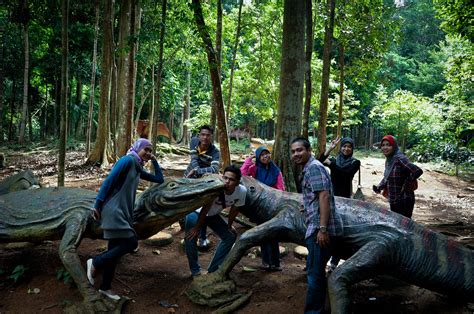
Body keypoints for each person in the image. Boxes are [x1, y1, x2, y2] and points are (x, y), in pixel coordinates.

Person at [87, 138, 164, 300]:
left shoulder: (137, 167)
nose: (149, 153)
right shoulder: (127, 161)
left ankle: (105, 288)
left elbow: (159, 179)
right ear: (137, 148)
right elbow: (109, 181)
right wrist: (97, 204)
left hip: (124, 212)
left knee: (113, 250)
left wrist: (155, 161)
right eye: (146, 150)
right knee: (131, 242)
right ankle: (95, 262)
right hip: (113, 210)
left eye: (151, 150)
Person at [291, 137, 342, 314]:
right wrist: (306, 204)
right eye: (293, 151)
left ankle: (314, 312)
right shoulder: (310, 167)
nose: (295, 154)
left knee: (314, 275)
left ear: (309, 150)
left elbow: (324, 197)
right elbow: (316, 195)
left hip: (319, 229)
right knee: (315, 272)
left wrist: (322, 228)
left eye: (299, 150)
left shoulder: (313, 167)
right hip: (316, 226)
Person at [184, 165, 247, 277]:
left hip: (212, 215)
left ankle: (213, 270)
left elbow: (235, 209)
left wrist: (229, 225)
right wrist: (196, 228)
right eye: (225, 178)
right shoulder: (216, 187)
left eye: (231, 179)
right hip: (196, 212)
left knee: (230, 236)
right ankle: (195, 271)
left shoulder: (241, 191)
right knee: (191, 237)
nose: (227, 181)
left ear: (237, 182)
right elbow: (205, 208)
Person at [318, 137, 360, 272]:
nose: (346, 149)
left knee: (340, 230)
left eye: (349, 147)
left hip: (345, 200)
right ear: (340, 148)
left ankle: (334, 261)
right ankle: (321, 260)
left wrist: (331, 164)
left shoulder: (355, 162)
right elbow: (318, 161)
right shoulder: (335, 160)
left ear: (352, 149)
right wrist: (330, 148)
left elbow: (346, 175)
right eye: (344, 146)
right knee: (326, 227)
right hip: (331, 197)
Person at [241, 146, 284, 271]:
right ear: (258, 157)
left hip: (273, 205)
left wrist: (278, 201)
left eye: (267, 154)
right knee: (263, 233)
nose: (266, 156)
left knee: (274, 233)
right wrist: (250, 159)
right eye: (262, 155)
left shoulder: (275, 170)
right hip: (260, 206)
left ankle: (275, 263)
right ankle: (265, 262)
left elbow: (280, 187)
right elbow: (242, 174)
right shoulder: (254, 169)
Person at [184, 125, 220, 249]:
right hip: (188, 177)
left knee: (203, 207)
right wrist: (198, 170)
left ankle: (202, 237)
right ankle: (187, 231)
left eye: (208, 135)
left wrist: (197, 171)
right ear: (199, 135)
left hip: (202, 181)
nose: (205, 137)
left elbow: (215, 169)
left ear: (211, 137)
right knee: (185, 203)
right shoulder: (194, 142)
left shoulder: (215, 152)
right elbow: (193, 161)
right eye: (202, 134)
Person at [373, 135, 423, 218]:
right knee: (397, 225)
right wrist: (380, 186)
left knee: (403, 227)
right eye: (383, 145)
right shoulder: (390, 160)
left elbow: (417, 171)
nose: (385, 147)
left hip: (404, 200)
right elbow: (388, 176)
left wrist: (406, 183)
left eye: (388, 145)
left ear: (394, 146)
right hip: (393, 199)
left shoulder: (400, 159)